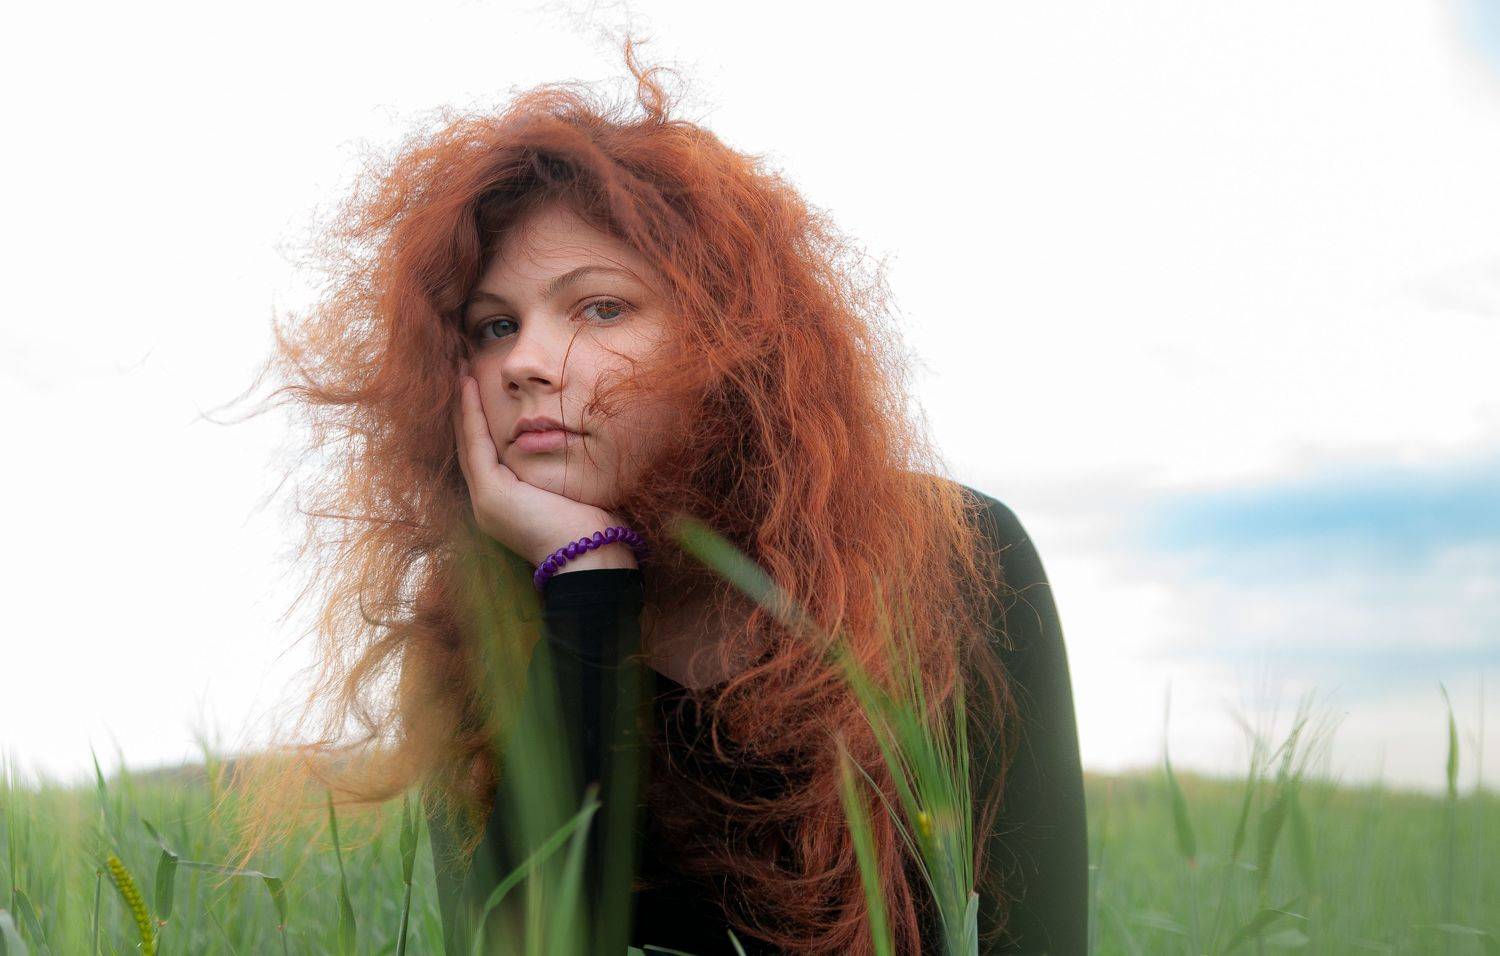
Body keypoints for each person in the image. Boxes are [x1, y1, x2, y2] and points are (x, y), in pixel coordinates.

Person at [235, 37, 1086, 956]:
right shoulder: (469, 629)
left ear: (729, 342)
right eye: (493, 326)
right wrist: (586, 587)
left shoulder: (954, 559)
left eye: (600, 308)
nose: (524, 362)